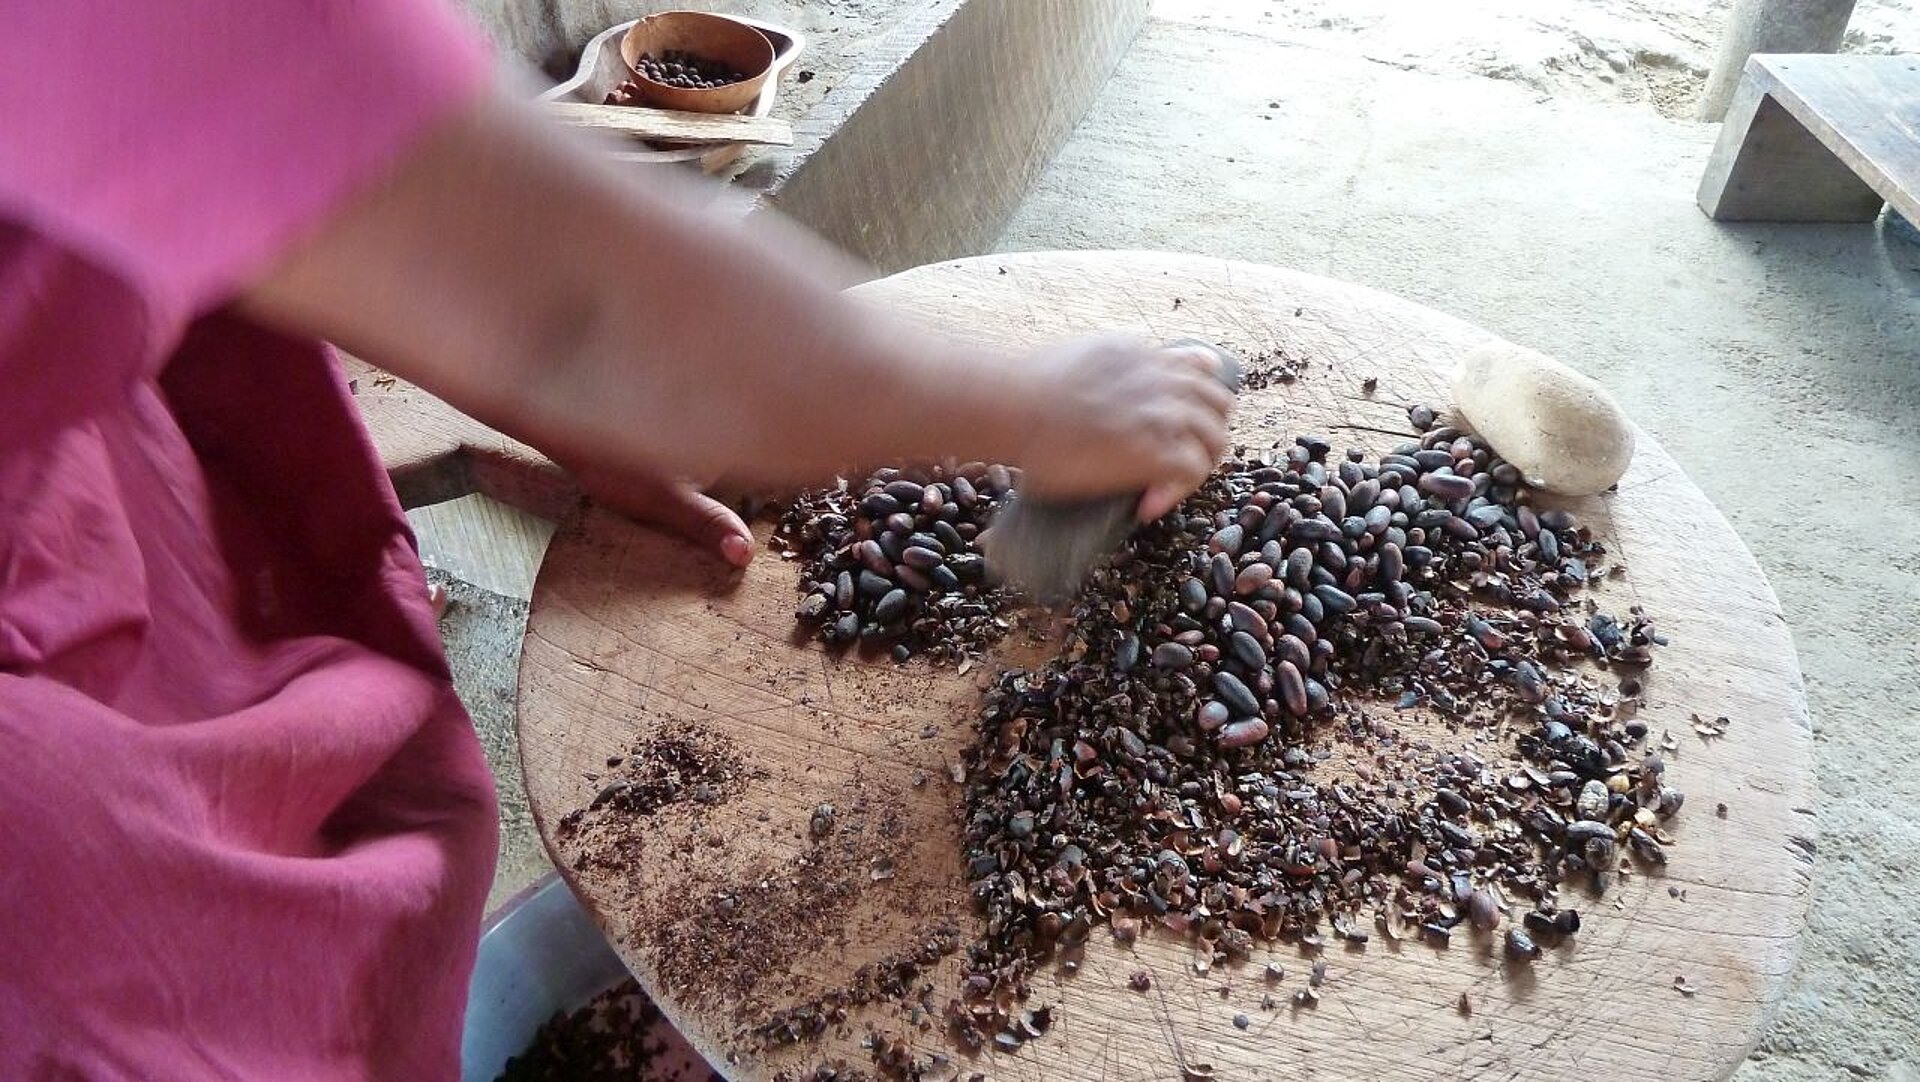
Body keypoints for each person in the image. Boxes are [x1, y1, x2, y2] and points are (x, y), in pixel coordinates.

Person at [0, 1, 1231, 1077]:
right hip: (62, 862)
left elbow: (276, 191)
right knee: (258, 998)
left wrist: (547, 388)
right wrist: (1041, 410)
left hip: (93, 502)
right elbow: (593, 301)